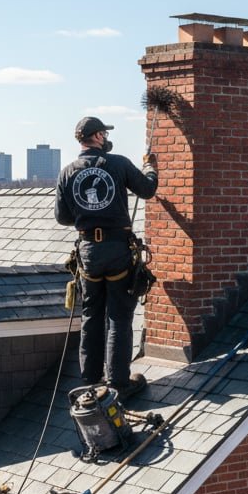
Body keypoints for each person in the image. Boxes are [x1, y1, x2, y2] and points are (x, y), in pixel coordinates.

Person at [55, 116, 158, 397]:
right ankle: (118, 382)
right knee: (119, 316)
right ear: (98, 136)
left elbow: (63, 217)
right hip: (116, 249)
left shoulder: (67, 172)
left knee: (91, 314)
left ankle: (90, 380)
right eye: (104, 134)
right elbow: (147, 189)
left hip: (88, 252)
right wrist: (150, 167)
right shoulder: (118, 164)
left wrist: (88, 215)